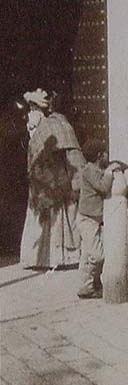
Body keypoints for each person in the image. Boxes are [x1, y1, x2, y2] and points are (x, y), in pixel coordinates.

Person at [19, 89, 86, 270]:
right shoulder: (42, 128)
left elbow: (71, 156)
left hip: (59, 181)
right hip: (43, 183)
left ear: (39, 111)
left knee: (60, 219)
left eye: (32, 109)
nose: (29, 115)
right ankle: (42, 258)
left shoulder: (54, 125)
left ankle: (60, 258)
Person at [76, 139, 122, 299]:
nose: (107, 156)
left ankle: (88, 286)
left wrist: (114, 166)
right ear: (99, 155)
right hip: (87, 219)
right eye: (105, 153)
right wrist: (109, 172)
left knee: (88, 254)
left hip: (94, 219)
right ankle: (89, 286)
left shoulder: (95, 168)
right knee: (98, 255)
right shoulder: (89, 170)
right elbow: (103, 187)